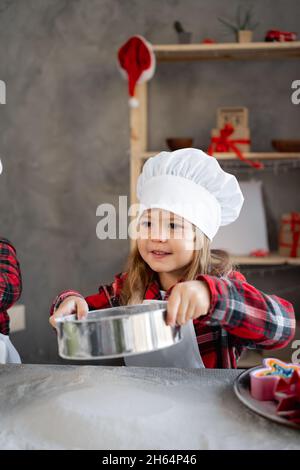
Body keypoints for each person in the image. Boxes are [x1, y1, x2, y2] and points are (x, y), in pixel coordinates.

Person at [49, 148, 295, 368]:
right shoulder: (128, 286)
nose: (157, 236)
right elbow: (85, 318)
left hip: (207, 410)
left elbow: (282, 328)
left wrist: (213, 297)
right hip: (144, 408)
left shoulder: (225, 286)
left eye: (173, 226)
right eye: (147, 223)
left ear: (200, 238)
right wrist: (70, 303)